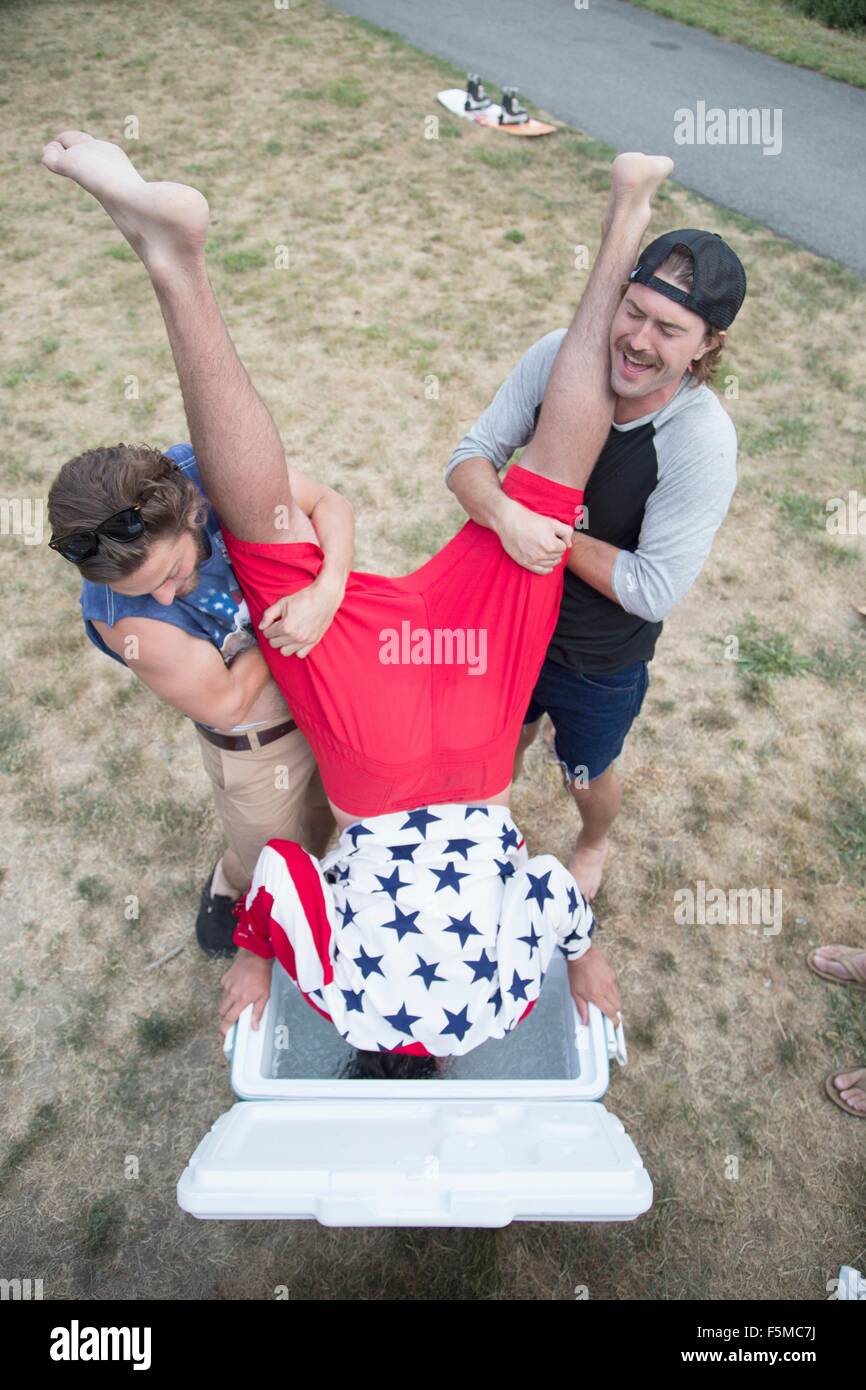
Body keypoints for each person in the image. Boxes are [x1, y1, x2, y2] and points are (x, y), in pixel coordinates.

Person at [41, 130, 673, 1070]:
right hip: (371, 769)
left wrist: (585, 963)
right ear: (366, 1059)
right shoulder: (342, 1004)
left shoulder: (496, 1008)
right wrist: (259, 963)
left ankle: (626, 214)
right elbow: (290, 876)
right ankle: (175, 262)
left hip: (473, 749)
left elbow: (547, 886)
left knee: (547, 487)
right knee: (268, 539)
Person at [447, 229, 747, 898]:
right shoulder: (560, 356)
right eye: (632, 310)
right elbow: (468, 459)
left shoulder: (701, 439)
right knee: (490, 743)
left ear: (708, 345)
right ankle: (485, 828)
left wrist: (547, 531)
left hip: (597, 655)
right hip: (507, 616)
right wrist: (504, 516)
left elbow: (652, 589)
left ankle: (593, 840)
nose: (638, 340)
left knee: (584, 770)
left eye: (669, 329)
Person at [47, 439, 350, 954]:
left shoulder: (209, 470)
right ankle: (229, 884)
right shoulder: (118, 617)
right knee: (268, 858)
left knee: (321, 822)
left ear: (193, 511)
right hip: (257, 744)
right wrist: (280, 615)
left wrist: (327, 590)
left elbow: (328, 503)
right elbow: (228, 702)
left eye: (170, 573)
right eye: (142, 592)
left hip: (322, 700)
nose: (165, 598)